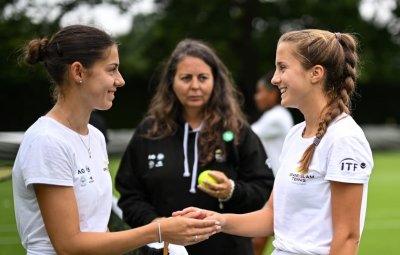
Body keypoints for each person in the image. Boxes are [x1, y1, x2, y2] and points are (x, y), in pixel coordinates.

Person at [12, 25, 220, 255]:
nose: (120, 81)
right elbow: (69, 246)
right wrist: (159, 231)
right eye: (111, 70)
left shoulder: (96, 136)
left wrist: (153, 250)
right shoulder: (46, 141)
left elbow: (97, 231)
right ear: (79, 72)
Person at [174, 29, 374, 255]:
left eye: (283, 67)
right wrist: (216, 220)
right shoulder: (295, 134)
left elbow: (347, 239)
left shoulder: (344, 139)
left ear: (315, 73)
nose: (274, 79)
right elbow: (271, 217)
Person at [115, 38, 274, 255]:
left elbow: (263, 188)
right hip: (164, 250)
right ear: (171, 81)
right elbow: (129, 193)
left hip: (228, 250)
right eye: (186, 78)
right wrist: (157, 226)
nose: (195, 86)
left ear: (215, 81)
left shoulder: (237, 131)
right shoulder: (150, 131)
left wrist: (231, 191)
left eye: (203, 78)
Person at [251, 72, 293, 255]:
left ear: (273, 94)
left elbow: (245, 136)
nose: (256, 96)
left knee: (256, 242)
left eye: (260, 91)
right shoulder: (273, 115)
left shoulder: (276, 116)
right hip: (274, 185)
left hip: (274, 185)